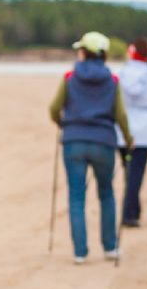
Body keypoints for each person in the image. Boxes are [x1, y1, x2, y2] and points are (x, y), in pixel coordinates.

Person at [49, 31, 133, 264]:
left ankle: (80, 252)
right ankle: (110, 248)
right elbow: (121, 115)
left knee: (76, 195)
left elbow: (54, 107)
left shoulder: (69, 77)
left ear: (85, 52)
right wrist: (128, 139)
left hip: (73, 141)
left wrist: (62, 123)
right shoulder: (112, 80)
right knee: (106, 193)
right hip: (104, 142)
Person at [116, 37, 147, 228]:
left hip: (124, 127)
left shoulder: (120, 75)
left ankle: (131, 208)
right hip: (146, 127)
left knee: (128, 170)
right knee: (137, 171)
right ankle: (131, 210)